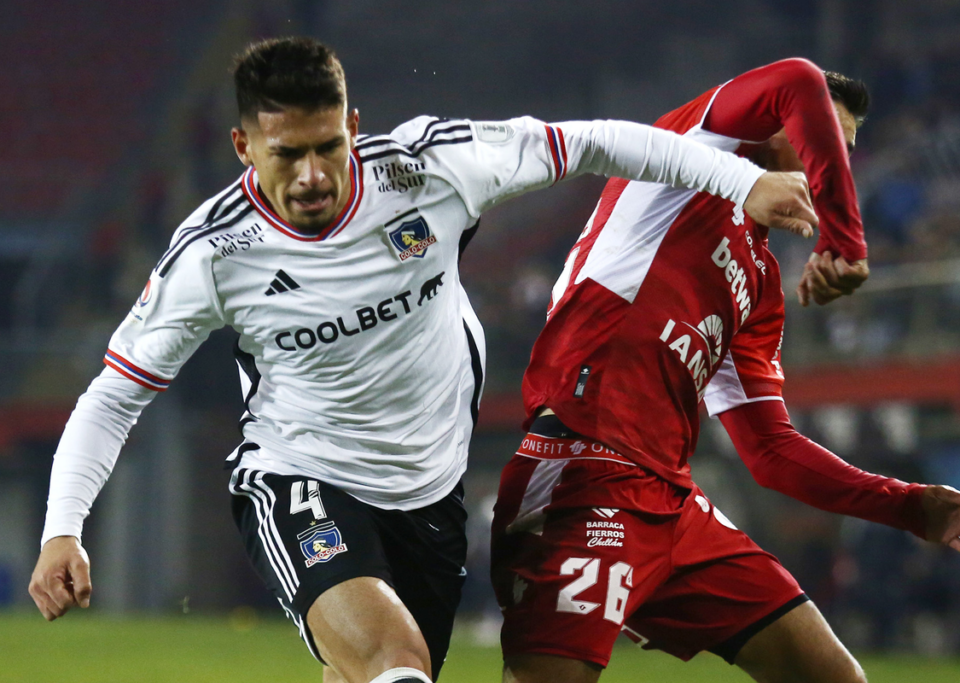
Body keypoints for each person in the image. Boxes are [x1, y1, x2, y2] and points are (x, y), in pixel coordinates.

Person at [26, 38, 818, 683]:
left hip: (428, 495)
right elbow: (112, 395)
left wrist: (739, 181)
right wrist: (63, 527)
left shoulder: (429, 169)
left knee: (375, 674)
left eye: (329, 147)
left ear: (355, 126)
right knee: (394, 664)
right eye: (286, 154)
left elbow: (593, 142)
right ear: (243, 147)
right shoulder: (212, 254)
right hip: (303, 475)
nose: (312, 176)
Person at [491, 58, 960, 683]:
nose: (830, 163)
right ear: (775, 124)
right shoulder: (689, 150)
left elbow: (770, 451)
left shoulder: (758, 284)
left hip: (673, 501)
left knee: (834, 677)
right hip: (585, 468)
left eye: (844, 152)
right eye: (824, 139)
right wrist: (846, 238)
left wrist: (905, 506)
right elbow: (797, 82)